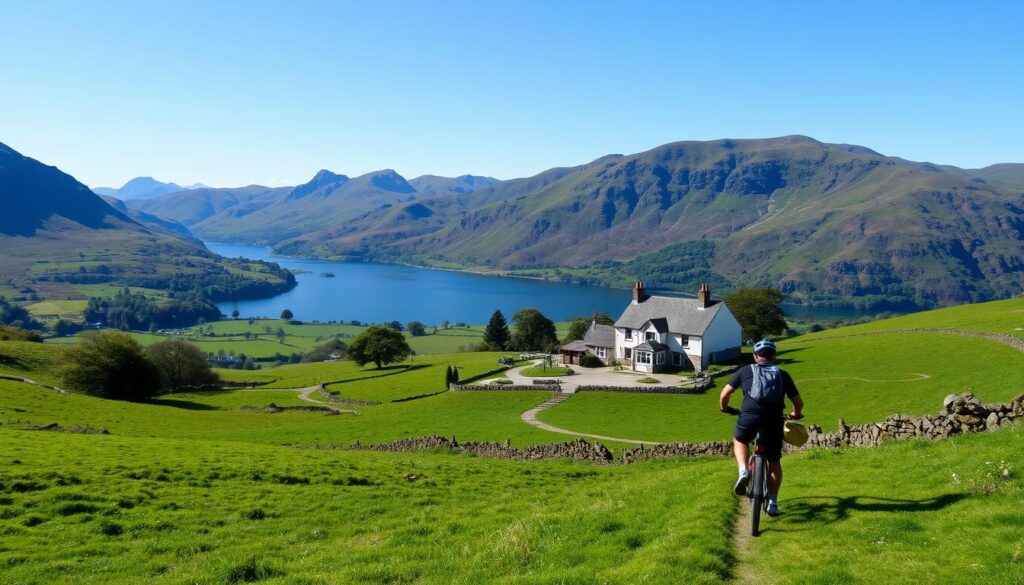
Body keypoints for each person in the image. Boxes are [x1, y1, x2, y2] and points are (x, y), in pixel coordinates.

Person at [719, 339, 803, 517]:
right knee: (774, 460)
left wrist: (725, 408)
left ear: (755, 356)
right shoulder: (782, 374)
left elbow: (725, 393)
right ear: (773, 356)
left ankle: (743, 471)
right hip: (773, 419)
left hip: (750, 415)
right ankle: (772, 502)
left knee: (740, 440)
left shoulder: (744, 370)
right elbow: (798, 402)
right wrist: (795, 414)